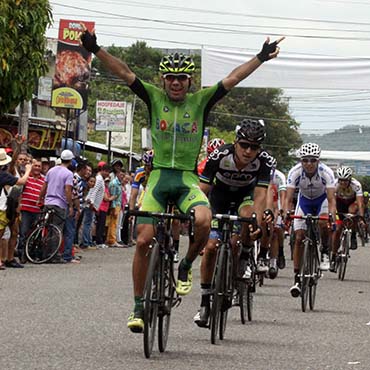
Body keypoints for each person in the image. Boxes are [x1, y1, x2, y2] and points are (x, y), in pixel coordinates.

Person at [80, 25, 284, 333]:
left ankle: (186, 265)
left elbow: (234, 77)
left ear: (190, 82)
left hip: (188, 178)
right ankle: (138, 306)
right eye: (171, 78)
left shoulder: (200, 101)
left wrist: (260, 57)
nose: (176, 83)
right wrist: (96, 49)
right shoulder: (152, 96)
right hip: (160, 177)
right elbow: (124, 72)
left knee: (204, 220)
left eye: (182, 78)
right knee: (144, 241)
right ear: (163, 80)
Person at [194, 119, 275, 327]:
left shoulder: (264, 162)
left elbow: (259, 196)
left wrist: (256, 223)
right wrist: (195, 213)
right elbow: (201, 191)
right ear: (236, 142)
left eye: (254, 147)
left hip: (244, 197)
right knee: (211, 247)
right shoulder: (219, 156)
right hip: (218, 197)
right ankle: (204, 302)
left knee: (248, 219)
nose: (248, 151)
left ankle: (245, 256)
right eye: (244, 145)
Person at [285, 143, 336, 298]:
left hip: (322, 201)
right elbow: (288, 198)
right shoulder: (295, 172)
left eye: (312, 160)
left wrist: (331, 217)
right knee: (299, 237)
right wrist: (287, 213)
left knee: (322, 222)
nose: (309, 164)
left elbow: (332, 199)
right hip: (305, 201)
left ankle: (325, 251)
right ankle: (296, 279)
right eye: (305, 160)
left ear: (318, 161)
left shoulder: (326, 172)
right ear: (301, 161)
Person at [38, 149, 75, 262]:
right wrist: (70, 205)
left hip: (48, 202)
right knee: (57, 230)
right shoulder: (68, 174)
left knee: (47, 228)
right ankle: (53, 255)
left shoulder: (51, 170)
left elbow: (44, 186)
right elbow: (68, 190)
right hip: (60, 204)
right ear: (70, 161)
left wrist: (40, 198)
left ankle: (44, 253)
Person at [0, 148, 32, 268]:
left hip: (13, 203)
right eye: (20, 159)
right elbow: (21, 181)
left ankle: (10, 257)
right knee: (2, 233)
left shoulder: (19, 172)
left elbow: (19, 192)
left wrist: (19, 204)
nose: (23, 161)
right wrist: (17, 148)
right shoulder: (10, 172)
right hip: (6, 204)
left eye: (25, 160)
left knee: (15, 231)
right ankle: (3, 258)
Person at [330, 166, 364, 271]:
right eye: (341, 180)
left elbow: (360, 202)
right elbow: (331, 200)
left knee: (352, 212)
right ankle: (334, 256)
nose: (343, 183)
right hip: (340, 204)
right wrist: (332, 214)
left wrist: (361, 217)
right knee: (338, 230)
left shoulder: (356, 185)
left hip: (351, 203)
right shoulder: (334, 184)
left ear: (349, 179)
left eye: (345, 180)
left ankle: (353, 234)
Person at [18, 159, 45, 263]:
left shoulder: (44, 179)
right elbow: (20, 191)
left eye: (39, 166)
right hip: (26, 209)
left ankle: (32, 254)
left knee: (35, 233)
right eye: (35, 166)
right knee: (23, 233)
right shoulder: (26, 177)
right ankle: (21, 254)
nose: (37, 168)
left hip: (37, 210)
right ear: (31, 167)